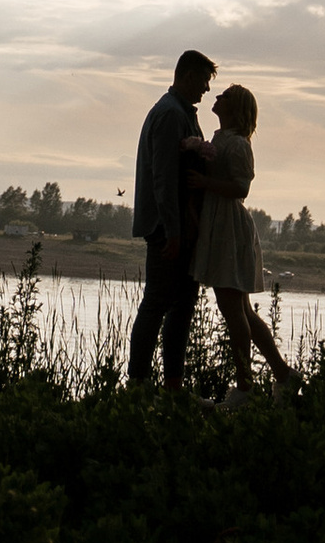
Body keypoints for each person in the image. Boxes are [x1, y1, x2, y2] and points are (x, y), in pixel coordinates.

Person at [184, 82, 298, 401]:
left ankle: (245, 389)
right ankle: (285, 375)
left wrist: (206, 182)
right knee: (242, 310)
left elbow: (240, 188)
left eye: (226, 96)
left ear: (237, 110)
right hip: (218, 225)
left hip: (229, 229)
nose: (217, 97)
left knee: (233, 310)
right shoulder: (222, 139)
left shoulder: (237, 145)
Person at [127, 46, 215, 389]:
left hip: (181, 227)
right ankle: (139, 382)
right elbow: (164, 177)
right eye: (204, 81)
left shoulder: (181, 113)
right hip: (169, 229)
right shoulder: (170, 115)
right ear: (188, 75)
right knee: (158, 303)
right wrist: (173, 231)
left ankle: (172, 385)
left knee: (182, 306)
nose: (206, 90)